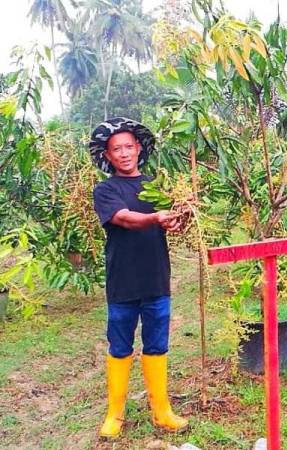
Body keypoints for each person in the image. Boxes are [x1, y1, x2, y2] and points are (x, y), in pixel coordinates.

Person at [89, 117, 188, 438]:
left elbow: (168, 221)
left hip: (156, 279)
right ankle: (114, 415)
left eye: (128, 146)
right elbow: (125, 219)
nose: (124, 153)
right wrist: (156, 217)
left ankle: (162, 411)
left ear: (139, 148)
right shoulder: (105, 190)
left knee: (157, 345)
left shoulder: (153, 187)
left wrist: (177, 219)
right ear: (108, 155)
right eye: (116, 149)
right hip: (123, 283)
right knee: (120, 346)